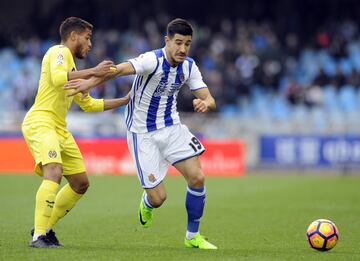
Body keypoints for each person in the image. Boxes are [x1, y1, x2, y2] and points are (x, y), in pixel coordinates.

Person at [64, 18, 217, 250]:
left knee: (197, 177)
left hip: (172, 127)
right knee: (159, 198)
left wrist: (206, 103)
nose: (183, 49)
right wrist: (89, 83)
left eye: (187, 44)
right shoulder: (150, 60)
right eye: (178, 43)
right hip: (142, 132)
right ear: (167, 41)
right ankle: (148, 202)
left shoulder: (189, 66)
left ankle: (192, 235)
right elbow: (118, 70)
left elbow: (209, 98)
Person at [21, 17, 129, 248]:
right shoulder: (58, 52)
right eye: (87, 38)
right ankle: (38, 236)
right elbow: (59, 79)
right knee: (54, 170)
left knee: (81, 183)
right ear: (73, 36)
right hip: (41, 121)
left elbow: (89, 104)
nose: (90, 44)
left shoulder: (72, 68)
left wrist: (126, 100)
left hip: (59, 127)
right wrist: (95, 72)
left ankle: (45, 228)